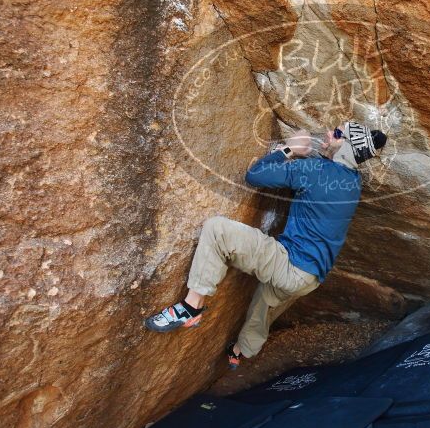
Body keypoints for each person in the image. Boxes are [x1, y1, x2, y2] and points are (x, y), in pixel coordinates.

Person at [144, 120, 388, 368]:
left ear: (347, 147)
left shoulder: (316, 171)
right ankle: (241, 351)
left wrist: (289, 149)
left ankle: (191, 307)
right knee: (265, 302)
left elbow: (255, 176)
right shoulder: (352, 182)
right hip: (310, 279)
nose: (328, 134)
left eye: (337, 133)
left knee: (217, 230)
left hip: (290, 265)